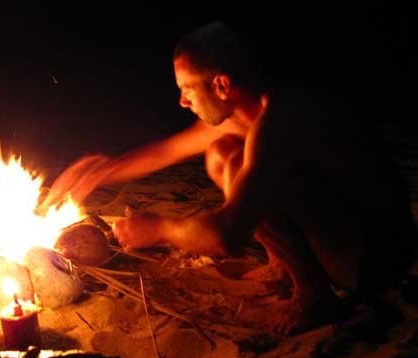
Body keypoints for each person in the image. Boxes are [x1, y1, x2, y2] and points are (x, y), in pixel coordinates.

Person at [41, 21, 417, 334]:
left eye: (187, 89)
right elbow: (169, 150)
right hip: (348, 239)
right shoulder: (243, 111)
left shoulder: (281, 116)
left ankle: (313, 297)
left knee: (247, 170)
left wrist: (159, 229)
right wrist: (101, 172)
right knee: (222, 153)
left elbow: (227, 235)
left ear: (221, 85)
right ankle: (283, 266)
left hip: (372, 261)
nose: (182, 102)